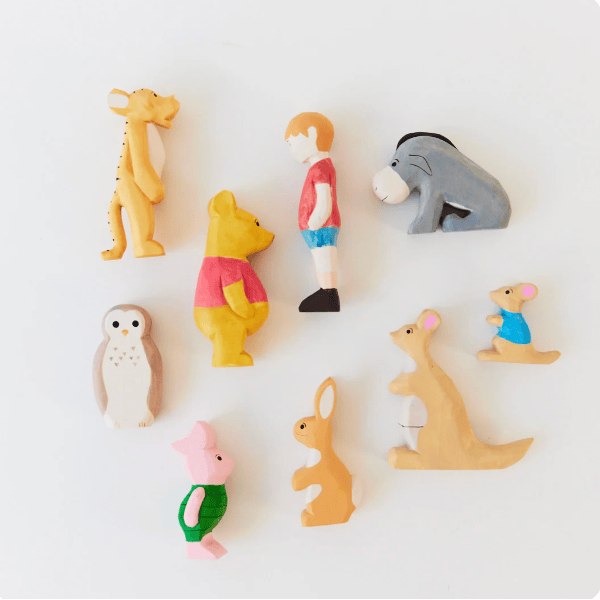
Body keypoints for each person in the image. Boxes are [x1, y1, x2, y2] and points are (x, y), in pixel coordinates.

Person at [285, 112, 341, 312]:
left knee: (323, 257)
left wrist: (315, 221)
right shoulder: (321, 166)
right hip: (319, 227)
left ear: (311, 134)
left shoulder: (320, 168)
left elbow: (325, 199)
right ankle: (326, 292)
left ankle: (328, 294)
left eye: (292, 143)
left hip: (321, 226)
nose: (291, 151)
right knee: (322, 257)